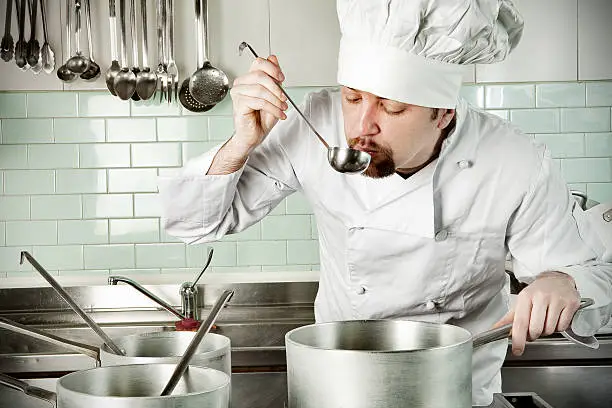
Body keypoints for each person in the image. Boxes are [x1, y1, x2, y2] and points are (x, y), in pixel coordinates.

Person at [159, 0, 612, 406]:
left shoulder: (514, 162)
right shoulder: (313, 125)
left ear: (444, 113)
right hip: (336, 387)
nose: (362, 126)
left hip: (457, 393)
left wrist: (562, 283)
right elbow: (189, 224)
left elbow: (586, 273)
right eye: (353, 97)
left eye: (392, 109)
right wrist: (241, 142)